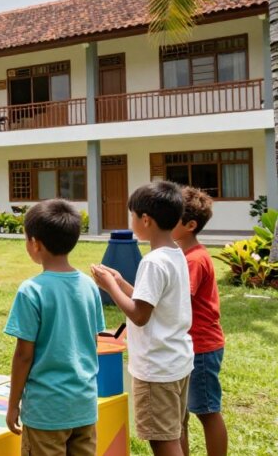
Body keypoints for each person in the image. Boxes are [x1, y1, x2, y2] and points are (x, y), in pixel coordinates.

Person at [92, 181, 193, 456]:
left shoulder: (153, 262)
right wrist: (122, 282)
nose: (132, 220)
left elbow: (139, 315)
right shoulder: (175, 254)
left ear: (145, 220)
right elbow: (150, 302)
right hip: (177, 361)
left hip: (156, 368)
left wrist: (109, 286)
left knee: (163, 440)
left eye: (132, 215)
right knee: (175, 432)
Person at [4, 199, 104, 455]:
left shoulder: (31, 290)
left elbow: (24, 355)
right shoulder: (89, 286)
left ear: (35, 244)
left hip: (46, 411)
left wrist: (13, 404)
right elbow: (93, 343)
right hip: (84, 404)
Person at [174, 187, 227, 456]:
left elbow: (178, 301)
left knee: (206, 411)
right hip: (188, 346)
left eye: (171, 216)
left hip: (202, 348)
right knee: (179, 415)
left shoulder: (194, 259)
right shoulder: (184, 256)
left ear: (190, 225)